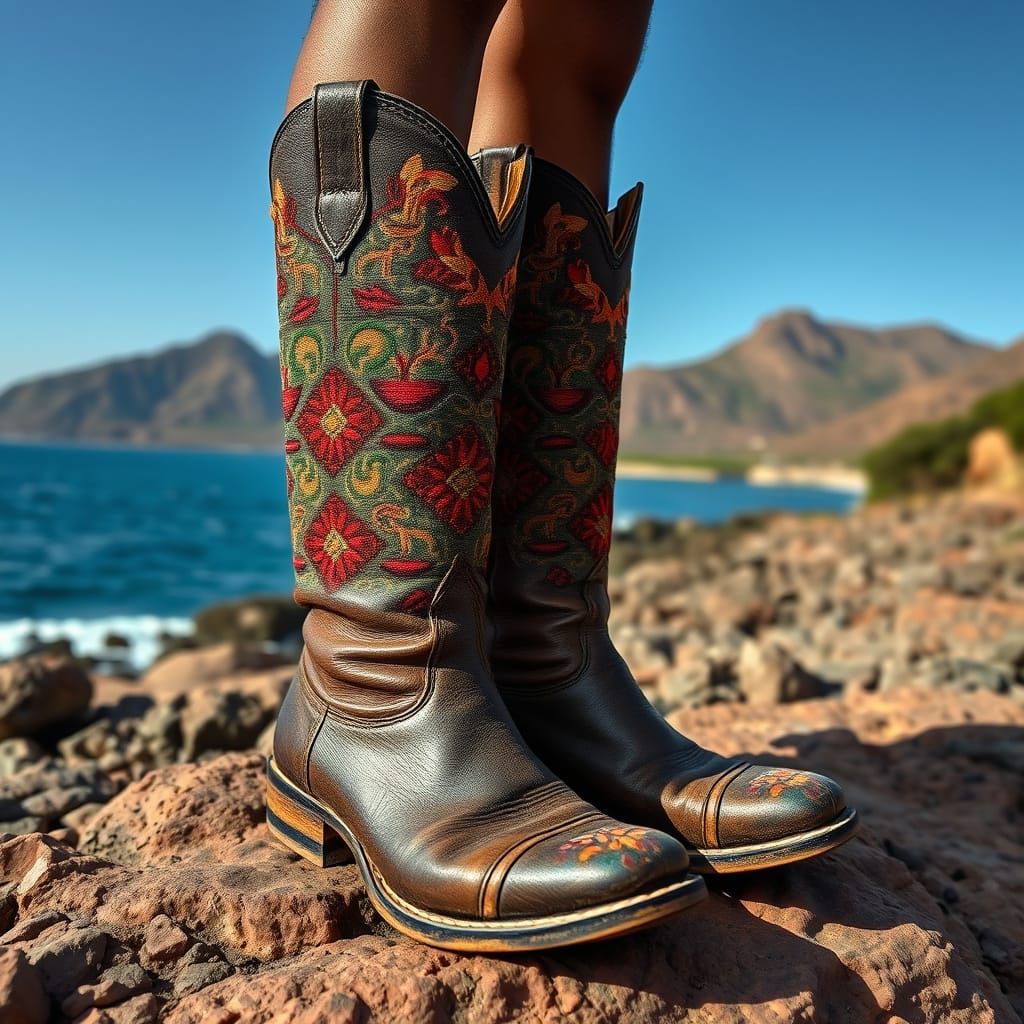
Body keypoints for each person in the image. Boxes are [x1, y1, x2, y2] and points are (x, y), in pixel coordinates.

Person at [265, 0, 858, 952]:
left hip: (532, 686)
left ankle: (540, 668)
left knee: (585, 37)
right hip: (381, 697)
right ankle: (374, 681)